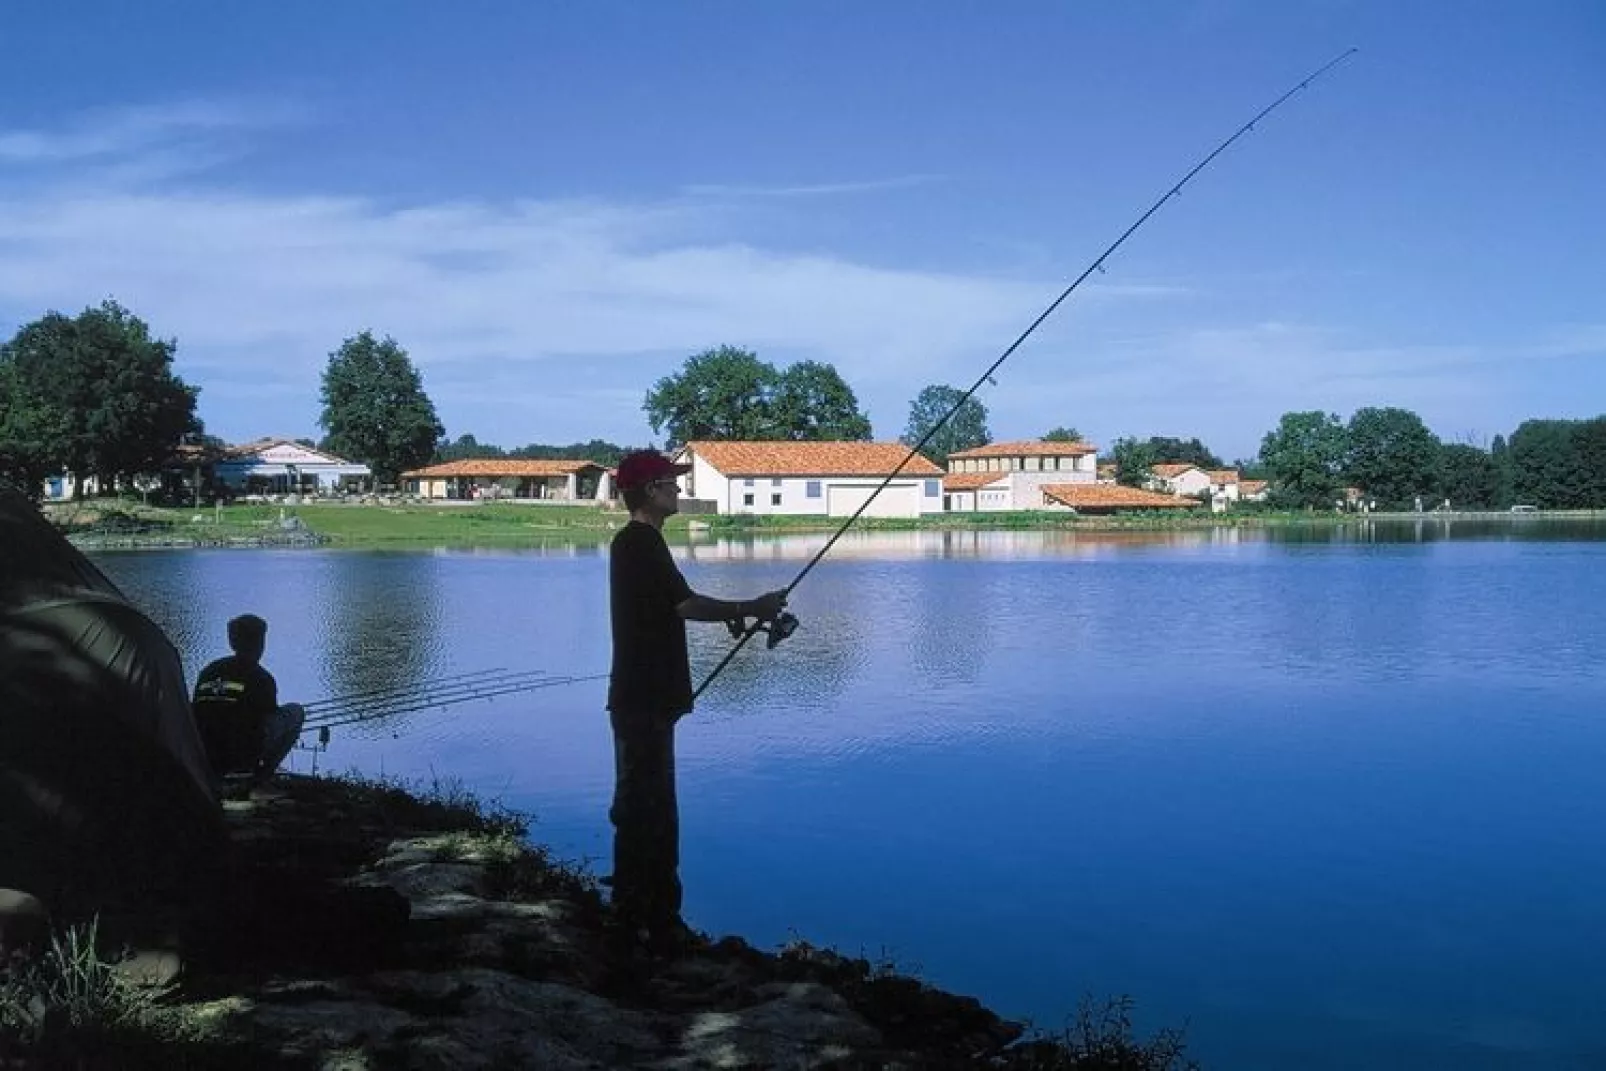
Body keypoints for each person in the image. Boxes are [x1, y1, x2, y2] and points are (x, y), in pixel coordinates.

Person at [606, 449, 786, 962]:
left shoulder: (638, 544)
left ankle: (633, 914)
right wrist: (751, 607)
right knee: (651, 811)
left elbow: (669, 608)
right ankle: (654, 924)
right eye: (671, 483)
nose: (679, 490)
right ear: (649, 491)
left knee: (638, 805)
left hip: (641, 696)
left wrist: (735, 613)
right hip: (645, 697)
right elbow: (684, 605)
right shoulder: (640, 543)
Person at [192, 614, 305, 788]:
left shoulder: (208, 671)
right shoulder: (262, 678)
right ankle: (261, 776)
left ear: (232, 642)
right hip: (241, 752)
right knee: (296, 712)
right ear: (260, 643)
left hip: (204, 751)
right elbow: (268, 717)